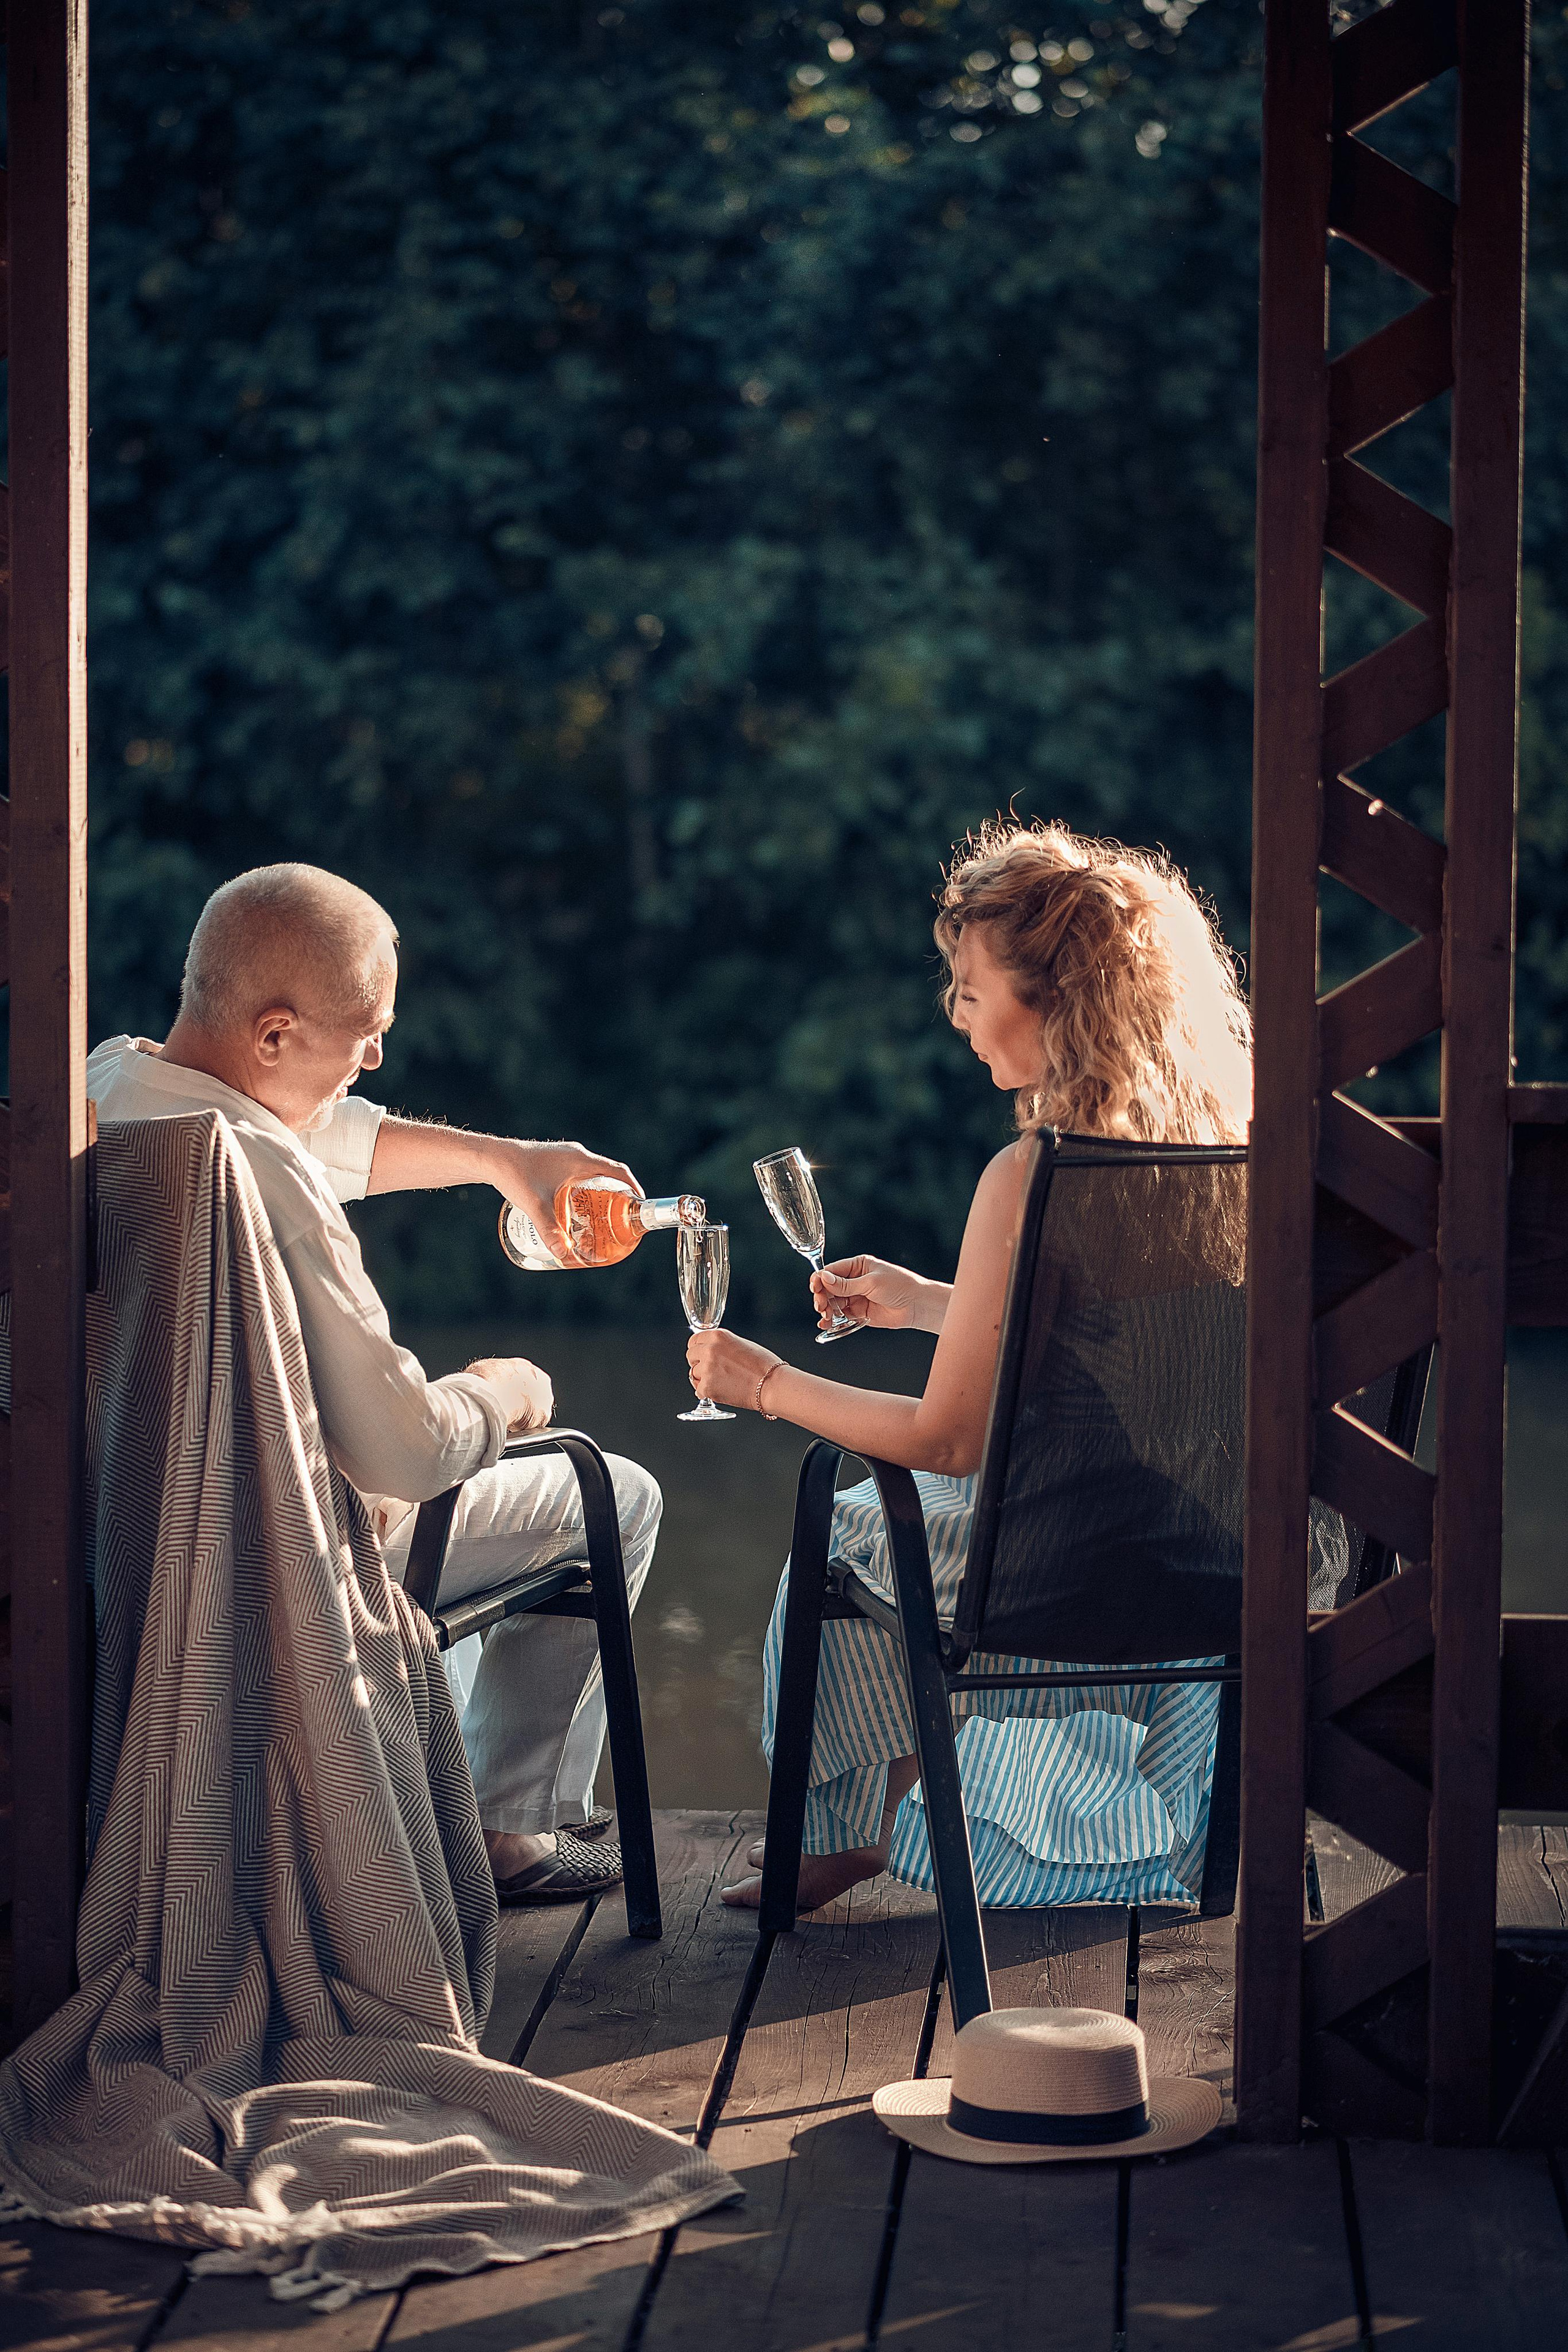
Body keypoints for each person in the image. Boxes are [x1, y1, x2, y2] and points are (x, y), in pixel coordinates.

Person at [688, 818, 1262, 1914]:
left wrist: (764, 1385)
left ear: (1056, 1000)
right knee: (922, 1512)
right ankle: (878, 1827)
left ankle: (854, 1826)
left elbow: (945, 1439)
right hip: (1213, 1561)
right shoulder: (1230, 1158)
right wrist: (927, 1305)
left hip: (1057, 1573)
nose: (956, 1015)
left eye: (970, 988)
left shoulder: (1031, 1174)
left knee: (846, 1526)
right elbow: (1131, 1348)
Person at [87, 861, 660, 1905]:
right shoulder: (265, 1179)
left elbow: (321, 1130)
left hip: (127, 1533)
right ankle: (507, 1831)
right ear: (274, 1035)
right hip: (274, 1552)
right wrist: (502, 1389)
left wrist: (508, 1161)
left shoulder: (108, 1088)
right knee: (615, 1495)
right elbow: (412, 1452)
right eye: (365, 1034)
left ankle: (448, 1795)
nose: (377, 1057)